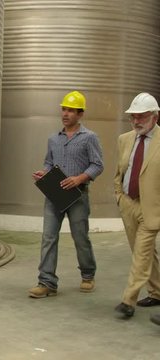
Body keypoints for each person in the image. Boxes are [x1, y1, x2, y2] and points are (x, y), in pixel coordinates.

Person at [28, 91, 104, 298]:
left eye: (71, 110)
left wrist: (79, 178)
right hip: (54, 195)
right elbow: (49, 163)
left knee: (80, 238)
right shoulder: (53, 139)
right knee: (48, 237)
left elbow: (98, 165)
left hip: (78, 195)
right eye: (64, 109)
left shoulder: (89, 138)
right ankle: (47, 282)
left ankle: (88, 275)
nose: (65, 113)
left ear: (80, 114)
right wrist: (44, 173)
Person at [113, 92, 160, 318]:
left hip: (152, 208)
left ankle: (128, 301)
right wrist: (119, 197)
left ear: (155, 117)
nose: (136, 121)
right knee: (144, 252)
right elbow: (119, 171)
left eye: (141, 116)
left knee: (141, 254)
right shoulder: (125, 139)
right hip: (129, 203)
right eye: (133, 116)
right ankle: (158, 291)